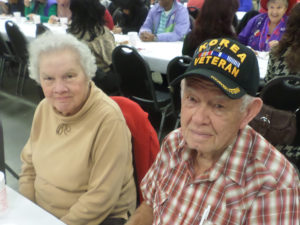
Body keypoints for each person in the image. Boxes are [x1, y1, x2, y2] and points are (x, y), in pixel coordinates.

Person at [125, 38, 300, 225]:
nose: (198, 119)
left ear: (248, 112)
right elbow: (150, 206)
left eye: (218, 105)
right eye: (192, 99)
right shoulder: (173, 143)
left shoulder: (272, 186)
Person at [19, 32, 136, 225]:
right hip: (43, 214)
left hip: (98, 217)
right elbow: (28, 167)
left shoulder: (108, 118)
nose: (59, 89)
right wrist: (29, 210)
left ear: (87, 73)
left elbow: (102, 197)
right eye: (48, 78)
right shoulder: (44, 108)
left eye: (69, 76)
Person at [67, 0, 118, 95]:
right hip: (101, 81)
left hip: (80, 77)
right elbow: (113, 61)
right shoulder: (99, 33)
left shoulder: (71, 32)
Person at [265, 2, 300, 82]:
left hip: (275, 94)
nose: (274, 11)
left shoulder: (277, 51)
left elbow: (267, 84)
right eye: (272, 7)